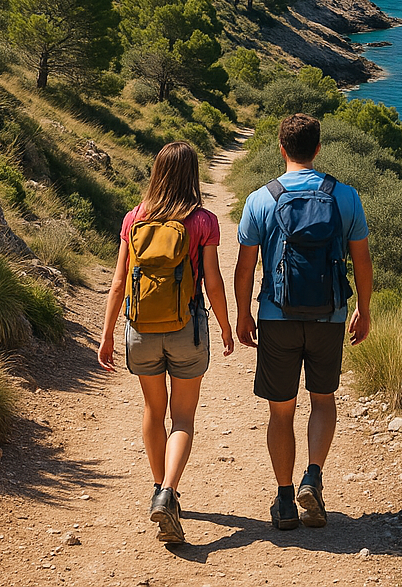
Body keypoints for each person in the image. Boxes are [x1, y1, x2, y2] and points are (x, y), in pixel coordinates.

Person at [235, 112, 373, 531]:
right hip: (329, 316)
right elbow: (362, 262)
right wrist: (364, 310)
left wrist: (243, 314)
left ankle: (283, 500)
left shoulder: (261, 199)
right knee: (323, 399)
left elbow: (244, 268)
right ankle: (313, 477)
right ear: (317, 148)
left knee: (281, 412)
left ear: (282, 149)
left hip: (277, 316)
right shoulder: (345, 197)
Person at [98, 141, 234, 545]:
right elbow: (212, 280)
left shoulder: (133, 218)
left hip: (140, 329)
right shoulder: (204, 221)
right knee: (184, 418)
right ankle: (168, 492)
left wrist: (106, 336)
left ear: (156, 172)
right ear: (192, 174)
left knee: (152, 409)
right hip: (187, 329)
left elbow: (119, 283)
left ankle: (160, 486)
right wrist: (226, 326)